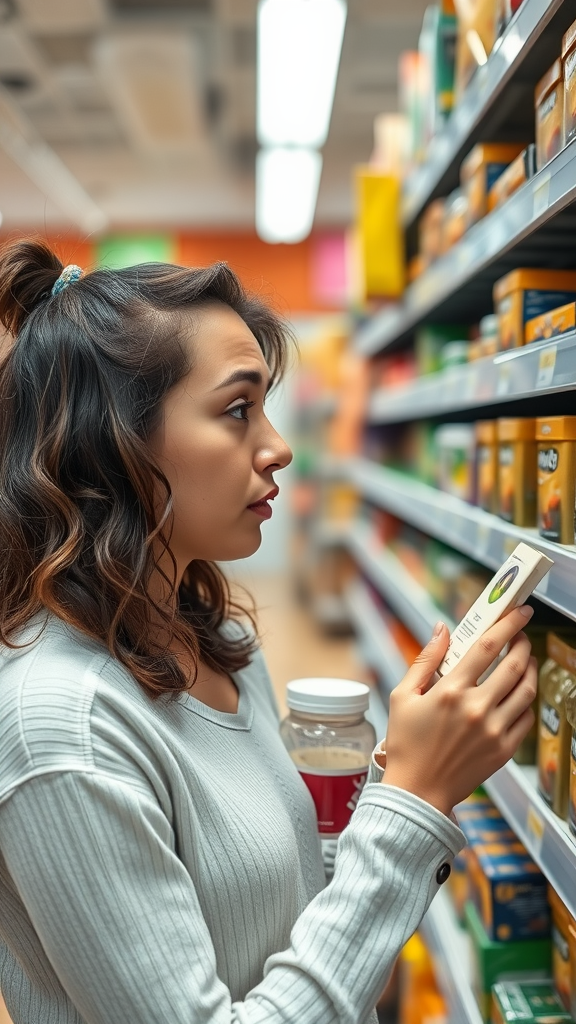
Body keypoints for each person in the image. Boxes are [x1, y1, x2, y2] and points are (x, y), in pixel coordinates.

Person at [0, 237, 537, 1024]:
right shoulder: (61, 729)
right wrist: (414, 804)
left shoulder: (208, 634)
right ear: (108, 441)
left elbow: (282, 915)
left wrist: (395, 778)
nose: (280, 447)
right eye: (238, 408)